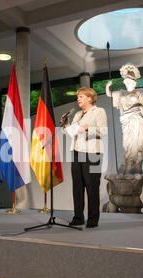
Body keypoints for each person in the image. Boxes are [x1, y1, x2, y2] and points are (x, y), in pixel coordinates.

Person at [63, 87, 107, 228]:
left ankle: (93, 219)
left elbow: (104, 131)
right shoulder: (77, 114)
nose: (78, 99)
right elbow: (73, 133)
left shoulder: (99, 111)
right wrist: (67, 125)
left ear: (90, 98)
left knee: (92, 186)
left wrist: (89, 128)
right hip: (77, 152)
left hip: (92, 153)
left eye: (81, 96)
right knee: (77, 187)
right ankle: (78, 217)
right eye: (78, 97)